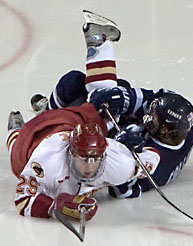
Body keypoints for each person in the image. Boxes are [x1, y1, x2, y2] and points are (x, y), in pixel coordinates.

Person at [6, 12, 161, 220]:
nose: (89, 165)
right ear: (71, 153)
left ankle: (98, 44)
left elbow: (152, 159)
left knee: (102, 107)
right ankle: (16, 129)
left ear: (104, 153)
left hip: (72, 124)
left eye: (94, 158)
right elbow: (23, 199)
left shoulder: (116, 161)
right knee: (18, 154)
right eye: (84, 158)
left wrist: (133, 147)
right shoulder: (46, 161)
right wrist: (53, 207)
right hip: (42, 141)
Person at [30, 11, 193, 199]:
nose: (149, 119)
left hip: (90, 141)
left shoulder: (159, 164)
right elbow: (152, 97)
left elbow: (122, 191)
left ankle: (39, 131)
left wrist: (120, 150)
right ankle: (47, 115)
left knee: (79, 92)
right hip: (109, 124)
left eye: (155, 122)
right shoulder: (180, 115)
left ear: (166, 132)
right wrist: (124, 98)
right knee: (80, 83)